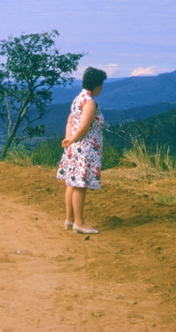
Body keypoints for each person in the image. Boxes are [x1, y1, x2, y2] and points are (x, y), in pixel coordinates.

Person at [57, 67, 107, 234]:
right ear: (97, 85)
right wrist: (72, 138)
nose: (102, 87)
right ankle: (79, 222)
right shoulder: (90, 102)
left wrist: (68, 138)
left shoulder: (78, 98)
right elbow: (85, 126)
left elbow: (70, 120)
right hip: (85, 149)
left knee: (71, 183)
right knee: (80, 186)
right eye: (101, 84)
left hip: (75, 147)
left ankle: (70, 220)